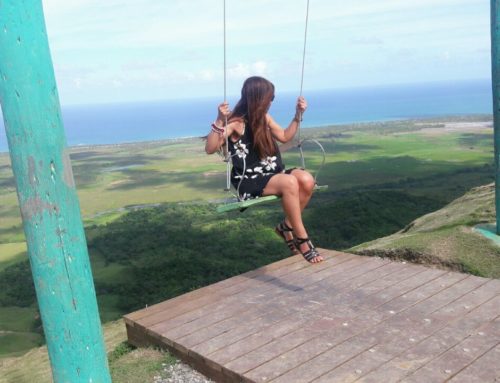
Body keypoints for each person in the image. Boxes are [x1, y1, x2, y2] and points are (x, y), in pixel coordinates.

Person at [205, 76, 323, 263]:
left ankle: (286, 227)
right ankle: (302, 239)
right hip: (249, 179)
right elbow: (210, 148)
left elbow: (285, 136)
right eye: (270, 97)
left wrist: (297, 115)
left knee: (307, 180)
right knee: (290, 182)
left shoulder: (264, 119)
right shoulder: (235, 123)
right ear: (258, 99)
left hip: (273, 173)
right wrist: (220, 121)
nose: (271, 102)